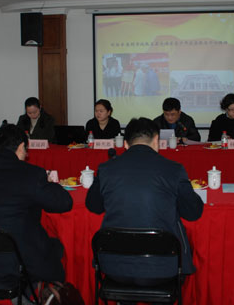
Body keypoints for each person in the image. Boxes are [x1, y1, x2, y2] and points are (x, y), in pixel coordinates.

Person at [86, 117, 203, 284]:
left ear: (125, 144)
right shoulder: (174, 169)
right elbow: (193, 212)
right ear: (156, 141)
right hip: (165, 268)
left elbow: (94, 206)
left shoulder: (105, 169)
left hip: (114, 267)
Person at [0, 123, 73, 288]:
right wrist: (49, 184)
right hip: (14, 264)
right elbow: (64, 203)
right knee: (55, 248)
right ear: (21, 146)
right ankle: (36, 289)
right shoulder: (31, 174)